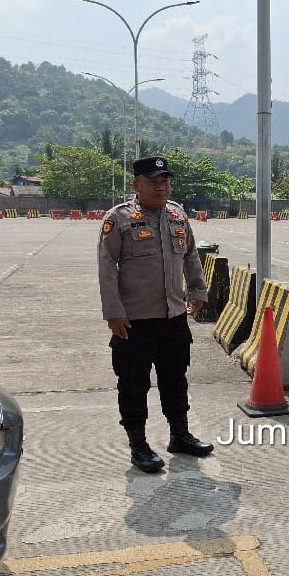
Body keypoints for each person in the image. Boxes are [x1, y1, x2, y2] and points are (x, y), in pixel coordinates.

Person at [97, 155, 214, 473]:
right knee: (133, 384)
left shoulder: (177, 214)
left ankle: (180, 435)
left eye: (165, 181)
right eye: (153, 182)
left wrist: (198, 290)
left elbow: (190, 255)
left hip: (173, 317)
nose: (161, 187)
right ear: (137, 184)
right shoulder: (119, 218)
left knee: (175, 379)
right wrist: (113, 312)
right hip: (134, 321)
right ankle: (138, 445)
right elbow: (107, 267)